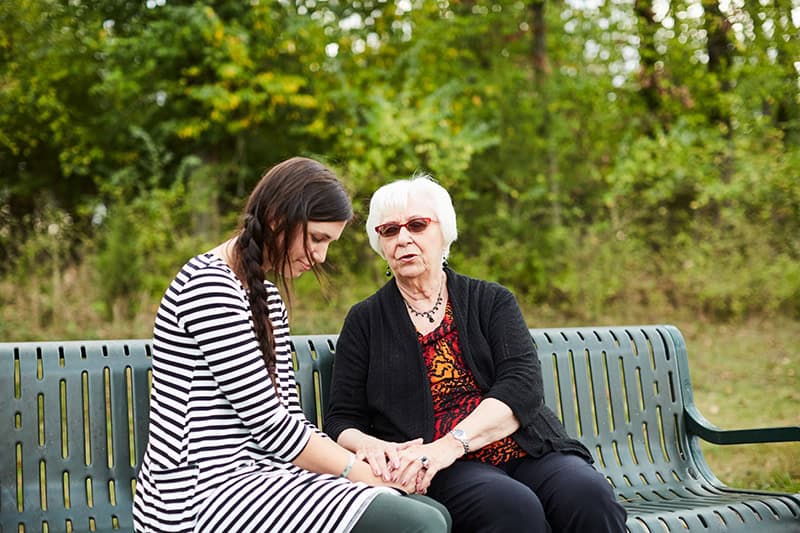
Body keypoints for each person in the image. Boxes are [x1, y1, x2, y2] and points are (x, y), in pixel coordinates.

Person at [133, 157, 451, 533]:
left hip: (259, 477)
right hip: (199, 495)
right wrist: (358, 472)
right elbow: (269, 425)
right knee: (418, 523)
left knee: (432, 512)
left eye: (328, 243)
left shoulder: (264, 297)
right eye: (317, 238)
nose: (320, 256)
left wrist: (366, 451)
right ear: (276, 219)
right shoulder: (209, 289)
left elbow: (287, 418)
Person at [324, 175, 627, 533]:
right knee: (513, 508)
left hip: (522, 448)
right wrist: (372, 446)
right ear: (380, 244)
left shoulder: (491, 301)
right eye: (389, 231)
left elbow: (522, 387)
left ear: (444, 231)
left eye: (417, 225)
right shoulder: (365, 320)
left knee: (588, 494)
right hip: (440, 468)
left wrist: (451, 444)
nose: (403, 238)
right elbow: (341, 419)